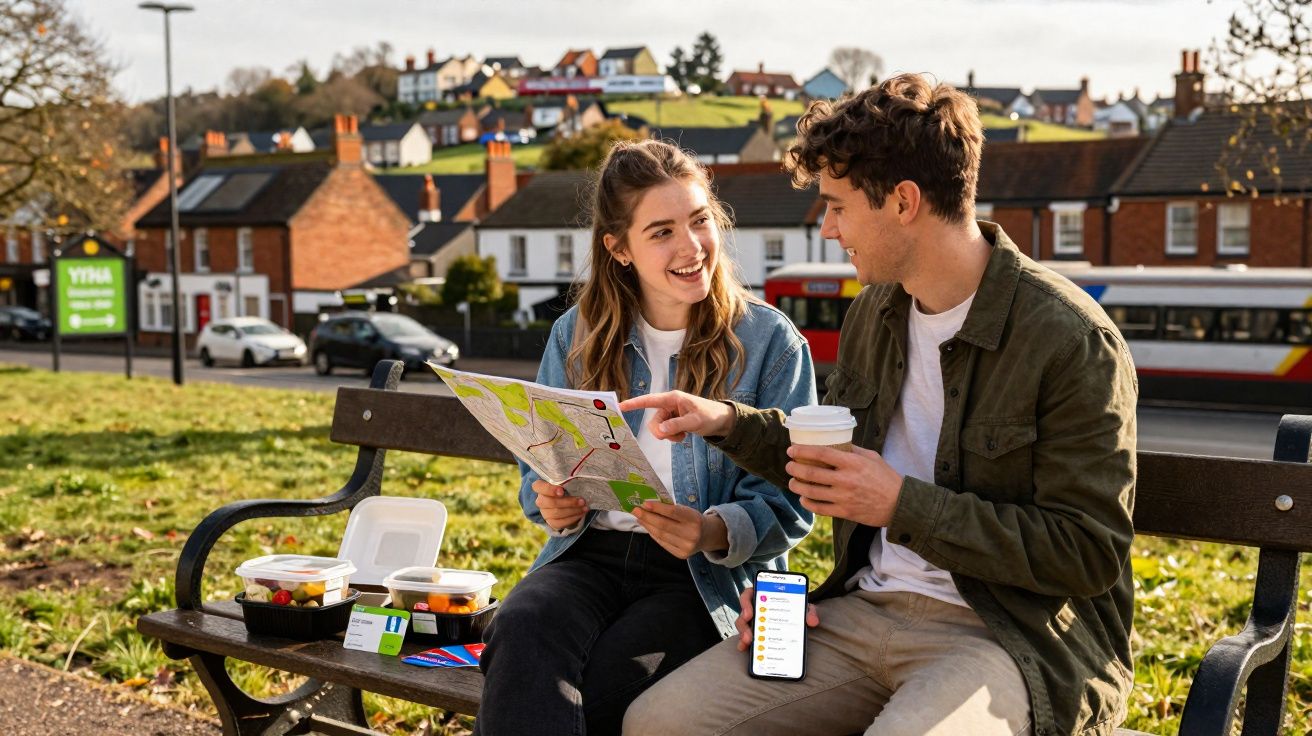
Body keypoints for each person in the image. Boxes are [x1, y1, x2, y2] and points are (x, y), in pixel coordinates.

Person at [621, 74, 1138, 736]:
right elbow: (831, 455)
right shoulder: (875, 313)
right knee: (658, 722)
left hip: (1007, 638)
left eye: (837, 206)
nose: (827, 226)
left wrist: (901, 505)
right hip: (861, 611)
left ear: (903, 201)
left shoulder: (1070, 339)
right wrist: (725, 421)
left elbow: (1087, 553)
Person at [474, 140, 817, 736]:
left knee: (605, 685)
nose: (691, 247)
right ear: (619, 248)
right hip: (588, 557)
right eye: (661, 232)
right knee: (520, 623)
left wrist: (709, 529)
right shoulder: (577, 334)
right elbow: (541, 470)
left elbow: (792, 502)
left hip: (695, 577)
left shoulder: (770, 343)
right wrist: (553, 502)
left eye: (700, 220)